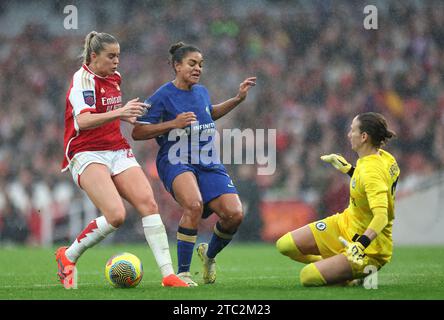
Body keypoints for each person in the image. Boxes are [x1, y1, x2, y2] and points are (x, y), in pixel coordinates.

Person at [56, 31, 188, 288]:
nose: (117, 61)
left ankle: (168, 275)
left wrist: (124, 115)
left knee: (148, 203)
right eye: (111, 56)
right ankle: (68, 255)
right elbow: (82, 121)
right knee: (116, 215)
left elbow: (108, 113)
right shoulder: (82, 79)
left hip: (116, 149)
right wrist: (120, 111)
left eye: (118, 56)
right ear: (94, 56)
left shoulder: (115, 77)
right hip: (86, 151)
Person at [132, 42, 256, 286]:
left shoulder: (201, 91)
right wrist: (172, 124)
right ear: (177, 66)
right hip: (175, 160)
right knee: (194, 204)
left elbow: (210, 112)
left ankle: (208, 256)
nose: (198, 68)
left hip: (207, 161)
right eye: (192, 63)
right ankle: (183, 273)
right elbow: (138, 131)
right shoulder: (162, 96)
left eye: (201, 64)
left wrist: (237, 99)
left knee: (234, 214)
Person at [276, 112, 400, 286]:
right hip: (345, 223)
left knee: (308, 276)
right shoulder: (385, 158)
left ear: (364, 137)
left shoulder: (372, 171)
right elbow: (369, 182)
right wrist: (348, 169)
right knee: (285, 245)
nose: (349, 135)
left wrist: (361, 244)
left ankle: (353, 275)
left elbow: (381, 216)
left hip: (369, 248)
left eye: (352, 130)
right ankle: (336, 263)